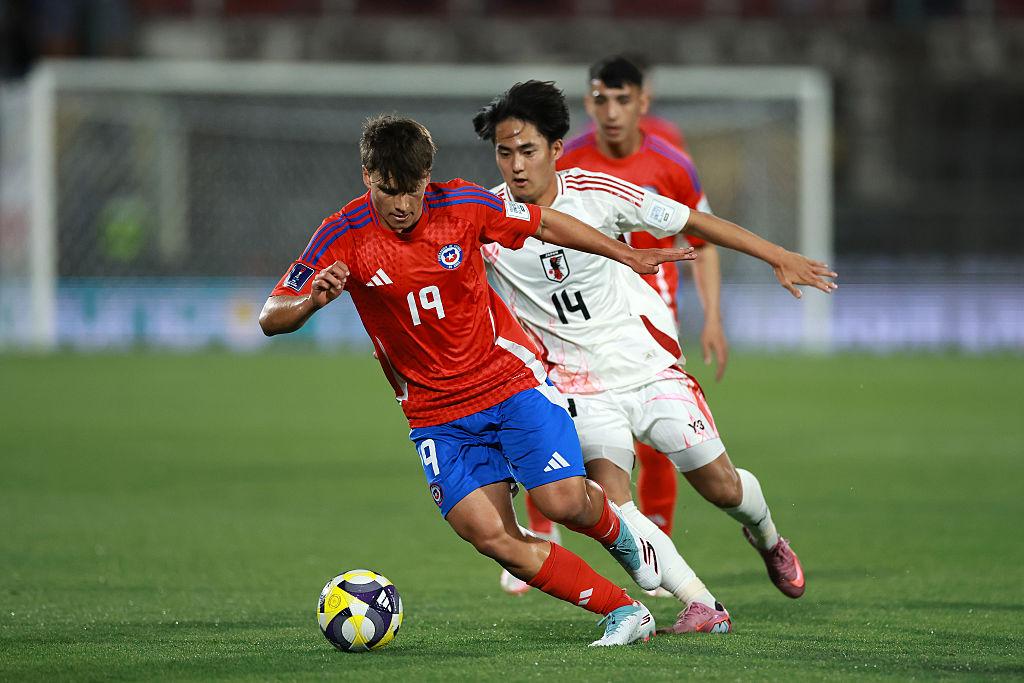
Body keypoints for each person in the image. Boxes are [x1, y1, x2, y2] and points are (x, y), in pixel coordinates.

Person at [258, 114, 698, 647]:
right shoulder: (342, 234)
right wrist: (311, 301)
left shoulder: (464, 205)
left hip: (507, 385)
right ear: (366, 174)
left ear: (429, 178)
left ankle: (628, 540)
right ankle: (625, 612)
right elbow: (271, 315)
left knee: (562, 503)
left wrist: (625, 252)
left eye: (411, 190)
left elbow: (544, 222)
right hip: (436, 417)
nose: (400, 205)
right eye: (386, 190)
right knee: (491, 535)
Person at [473, 81, 836, 633]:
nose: (517, 166)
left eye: (528, 151)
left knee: (723, 488)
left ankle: (766, 536)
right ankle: (701, 604)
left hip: (644, 367)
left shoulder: (598, 193)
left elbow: (693, 221)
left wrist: (777, 255)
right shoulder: (483, 220)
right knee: (614, 503)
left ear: (556, 150)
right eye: (505, 152)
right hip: (576, 388)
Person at [520, 54, 727, 565]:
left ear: (642, 102)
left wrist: (714, 317)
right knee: (548, 414)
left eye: (621, 99)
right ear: (588, 102)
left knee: (660, 442)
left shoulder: (670, 160)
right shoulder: (566, 160)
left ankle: (660, 544)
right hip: (575, 313)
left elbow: (702, 238)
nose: (609, 111)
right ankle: (544, 532)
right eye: (599, 99)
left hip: (652, 310)